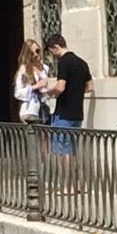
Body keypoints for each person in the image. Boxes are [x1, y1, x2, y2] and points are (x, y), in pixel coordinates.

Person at [43, 34, 93, 192]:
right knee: (73, 149)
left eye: (52, 52)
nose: (53, 56)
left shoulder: (64, 62)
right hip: (77, 112)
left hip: (64, 112)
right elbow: (90, 87)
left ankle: (68, 185)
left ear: (56, 47)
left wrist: (49, 92)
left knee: (64, 151)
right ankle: (78, 183)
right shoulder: (82, 63)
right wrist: (76, 92)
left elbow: (60, 87)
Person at [12, 39, 49, 123]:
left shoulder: (45, 68)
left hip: (43, 108)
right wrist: (35, 87)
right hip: (29, 110)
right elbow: (17, 92)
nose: (36, 55)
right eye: (32, 53)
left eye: (37, 51)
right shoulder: (24, 69)